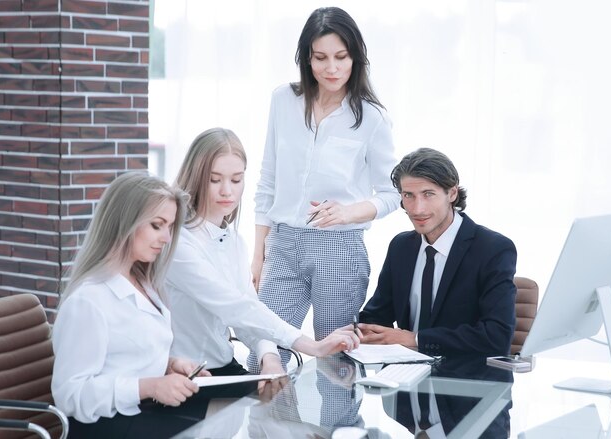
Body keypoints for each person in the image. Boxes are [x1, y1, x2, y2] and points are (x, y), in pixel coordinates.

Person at [251, 6, 400, 367]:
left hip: (339, 248)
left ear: (356, 58)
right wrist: (258, 255)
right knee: (265, 354)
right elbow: (267, 181)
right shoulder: (283, 101)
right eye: (320, 58)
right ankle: (274, 423)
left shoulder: (372, 118)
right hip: (283, 243)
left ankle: (335, 427)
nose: (331, 68)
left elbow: (393, 194)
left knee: (336, 364)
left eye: (341, 57)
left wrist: (348, 212)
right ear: (306, 58)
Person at [164, 128, 360, 383]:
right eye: (215, 180)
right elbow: (234, 307)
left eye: (236, 180)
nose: (227, 191)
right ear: (196, 177)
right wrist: (312, 346)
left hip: (224, 368)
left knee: (282, 407)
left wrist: (270, 356)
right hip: (185, 375)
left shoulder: (234, 241)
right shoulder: (177, 242)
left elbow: (248, 307)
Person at [51, 172, 213, 438]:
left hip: (142, 413)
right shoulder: (89, 300)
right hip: (104, 427)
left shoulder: (143, 282)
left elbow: (123, 357)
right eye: (157, 225)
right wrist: (149, 386)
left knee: (226, 417)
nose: (166, 238)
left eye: (170, 227)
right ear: (124, 222)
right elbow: (70, 396)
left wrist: (168, 365)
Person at [358, 148, 517, 356]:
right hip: (404, 377)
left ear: (452, 193)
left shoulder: (492, 249)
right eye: (408, 196)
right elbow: (376, 317)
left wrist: (414, 339)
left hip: (466, 380)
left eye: (428, 194)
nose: (417, 209)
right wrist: (354, 333)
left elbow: (496, 337)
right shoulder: (401, 246)